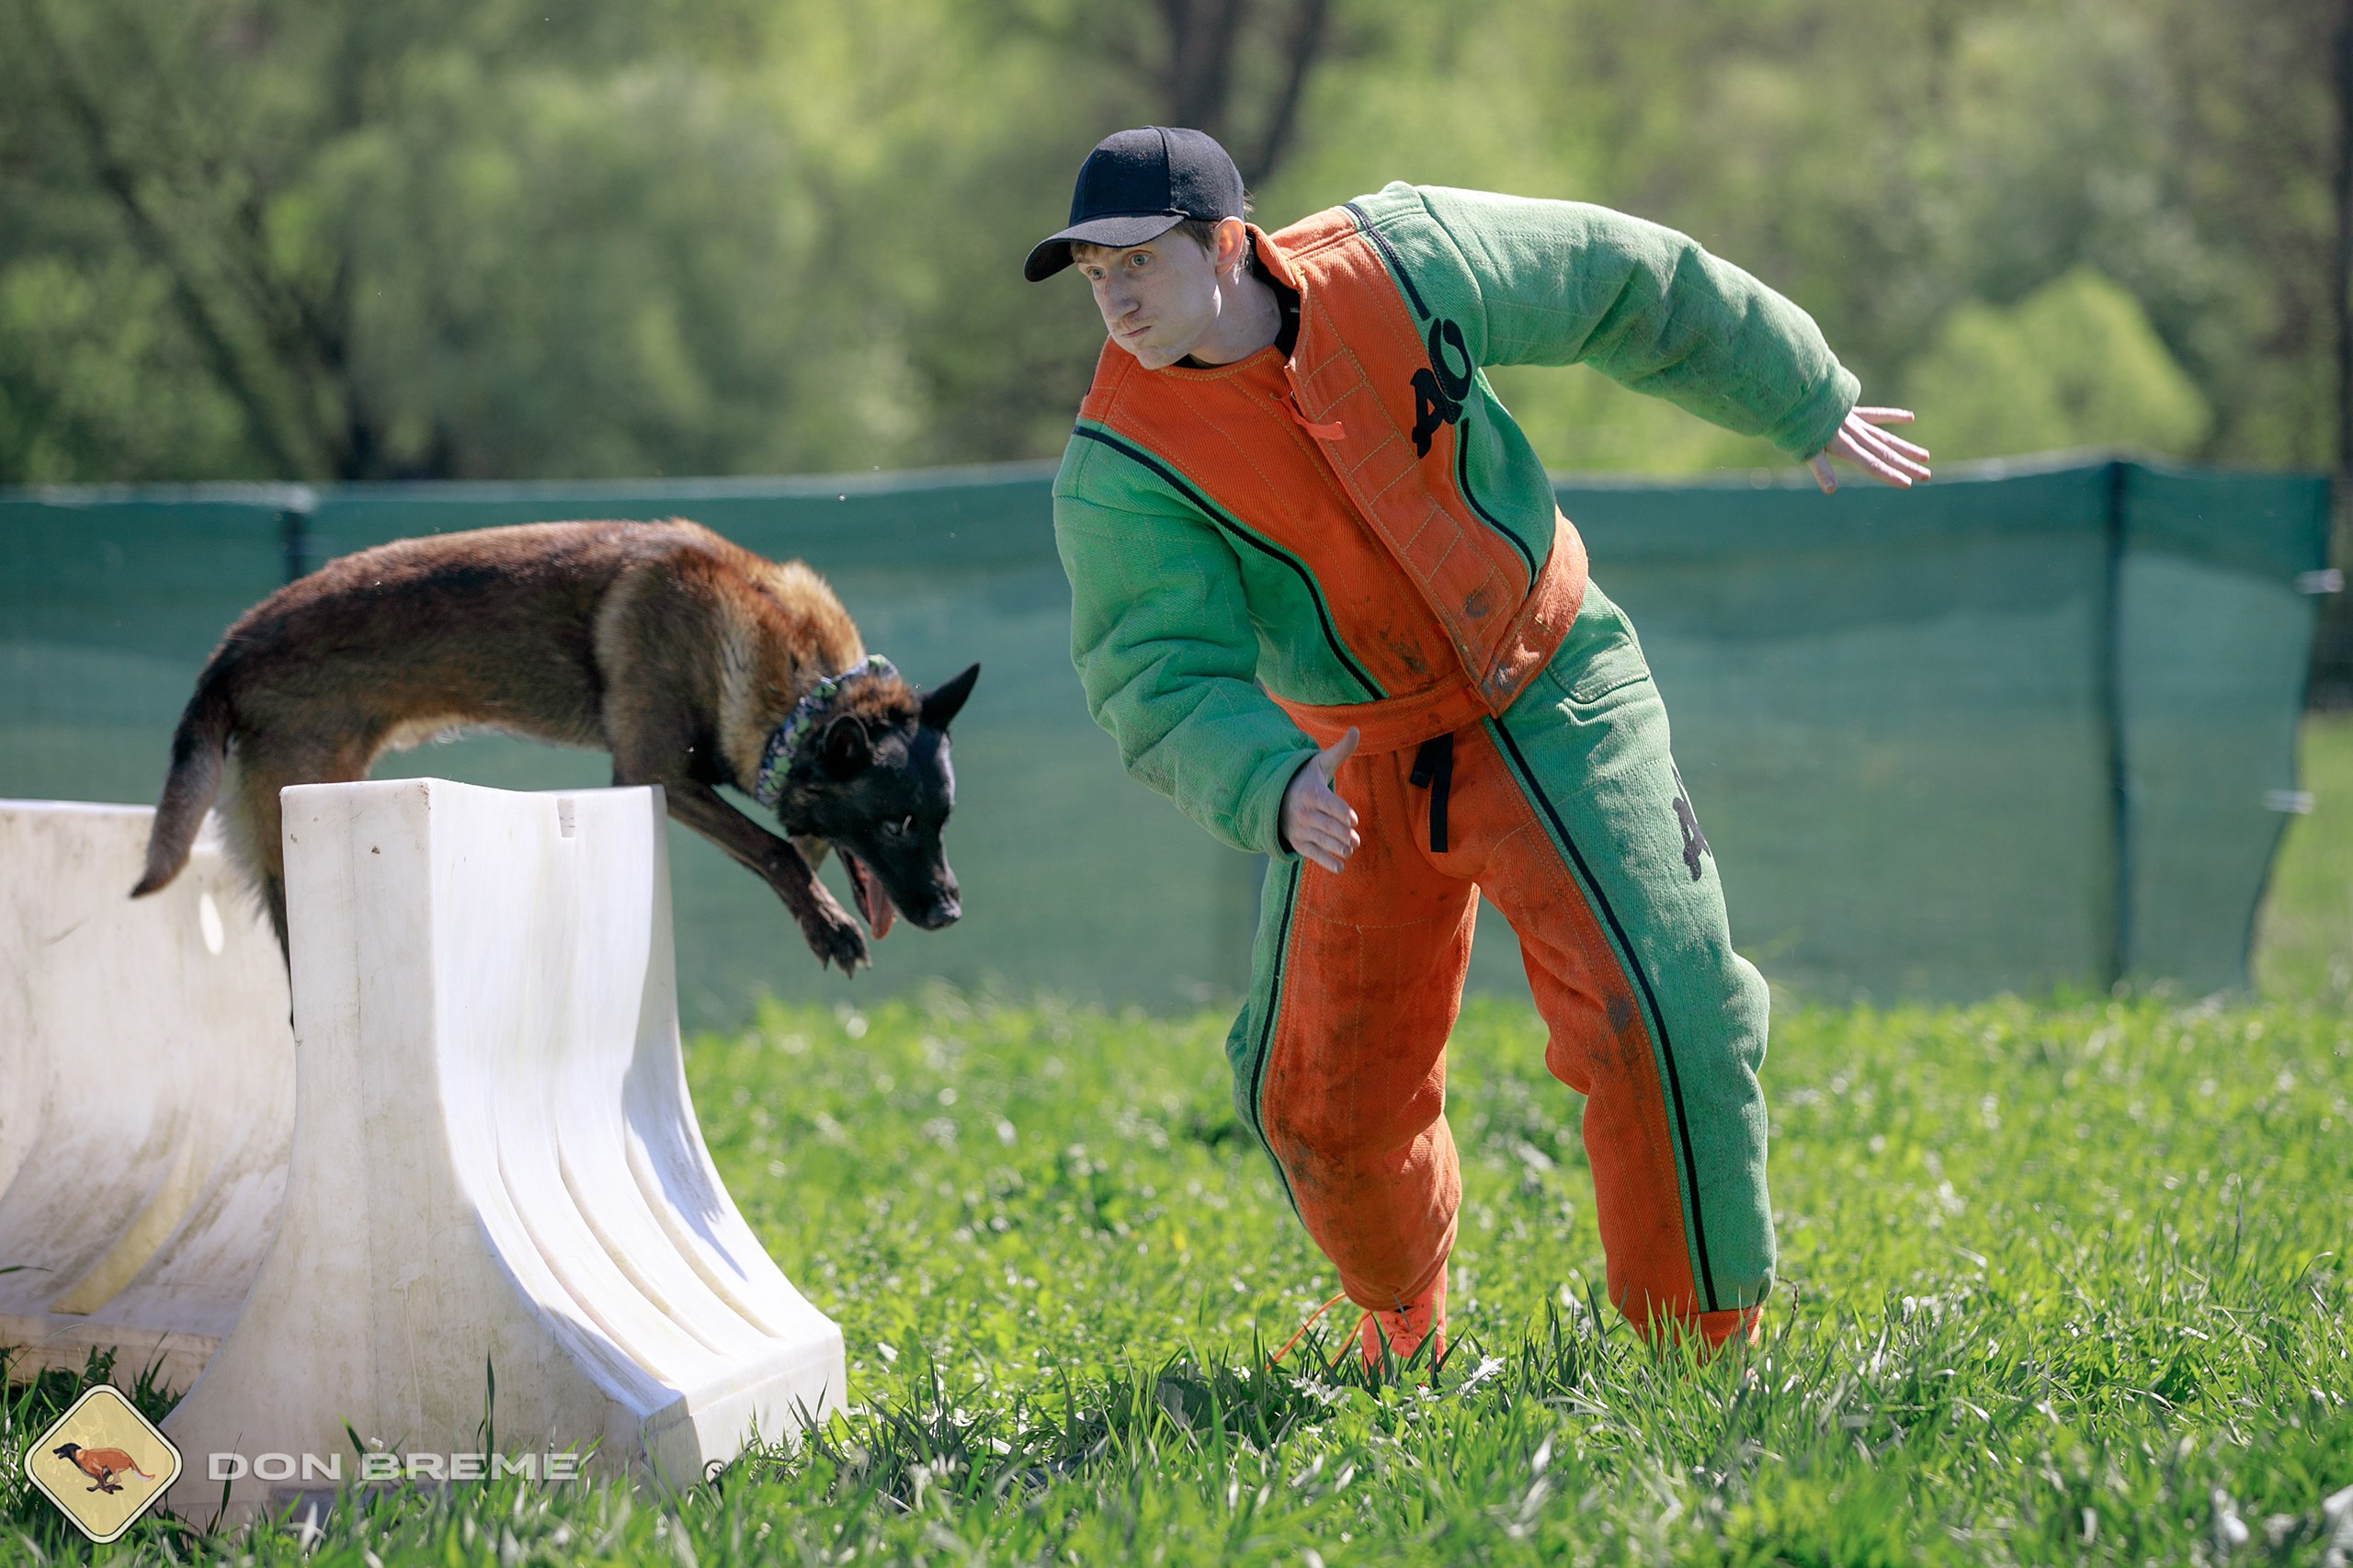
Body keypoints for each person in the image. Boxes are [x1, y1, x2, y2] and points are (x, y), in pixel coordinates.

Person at [1027, 126, 1927, 1366]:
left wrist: (1802, 396)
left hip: (1551, 676)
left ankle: (1707, 1353)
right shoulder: (1118, 464)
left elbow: (1623, 276)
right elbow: (1153, 673)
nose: (1116, 299)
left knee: (1667, 1012)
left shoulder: (1402, 260)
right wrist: (1269, 781)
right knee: (1315, 1106)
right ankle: (1402, 1321)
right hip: (1348, 766)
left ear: (1228, 241)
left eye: (1138, 261)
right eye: (1094, 275)